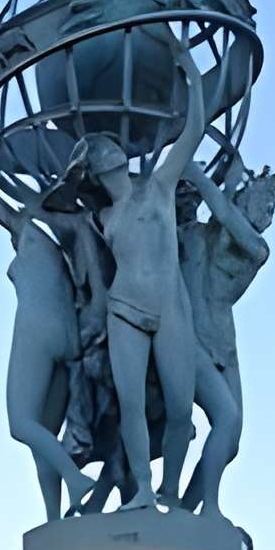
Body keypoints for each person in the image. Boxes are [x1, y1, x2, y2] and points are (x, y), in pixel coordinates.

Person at [63, 41, 206, 512]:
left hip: (170, 308)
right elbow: (57, 204)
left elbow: (194, 129)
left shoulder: (158, 189)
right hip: (125, 310)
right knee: (133, 408)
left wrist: (187, 67)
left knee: (182, 412)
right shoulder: (104, 217)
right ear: (99, 170)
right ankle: (143, 490)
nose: (112, 154)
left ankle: (170, 493)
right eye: (103, 154)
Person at [0, 115, 94, 521]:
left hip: (38, 327)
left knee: (21, 424)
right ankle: (55, 518)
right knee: (43, 436)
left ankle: (74, 478)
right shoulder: (78, 226)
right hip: (71, 334)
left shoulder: (28, 223)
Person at [176, 158, 275, 518]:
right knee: (228, 419)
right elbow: (221, 202)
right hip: (190, 336)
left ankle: (185, 512)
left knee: (231, 439)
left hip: (223, 341)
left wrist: (197, 174)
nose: (268, 212)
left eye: (272, 207)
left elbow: (221, 205)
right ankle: (209, 510)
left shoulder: (255, 246)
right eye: (264, 201)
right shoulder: (195, 234)